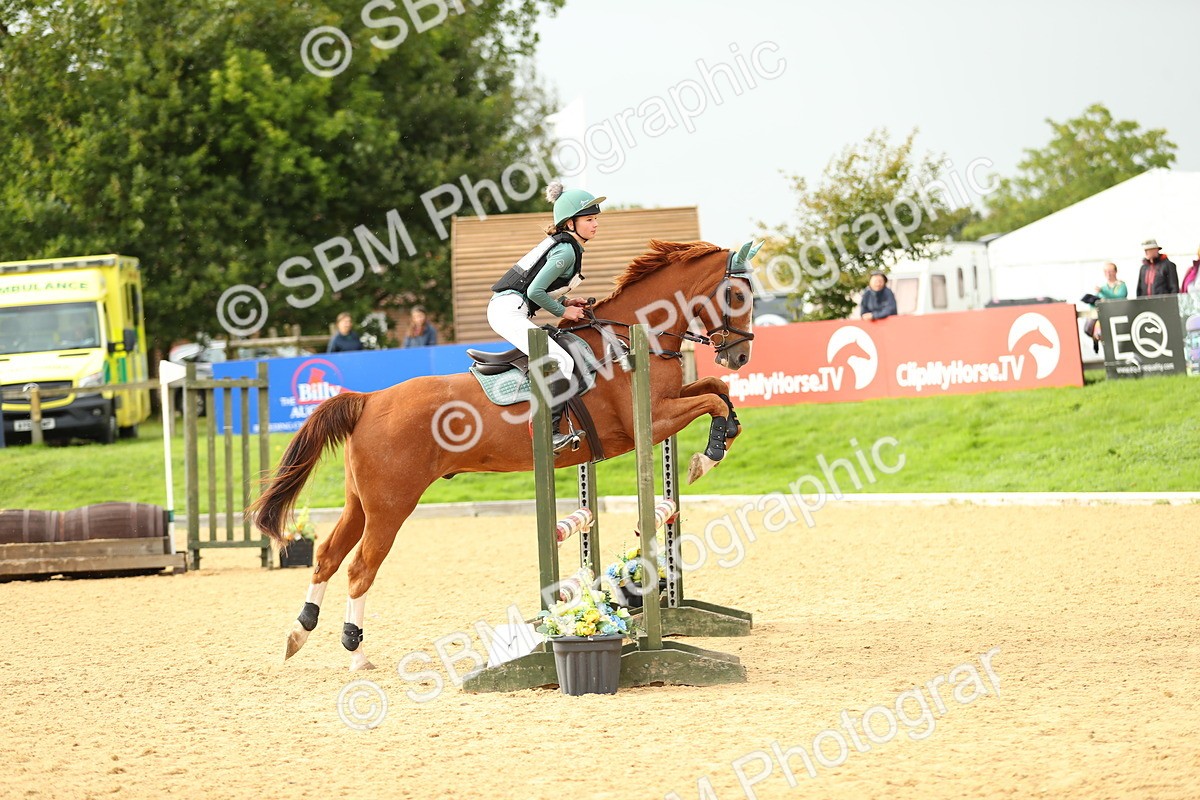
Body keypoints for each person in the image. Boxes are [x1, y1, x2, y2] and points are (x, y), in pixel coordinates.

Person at [488, 181, 603, 452]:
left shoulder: (568, 247)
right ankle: (546, 431)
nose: (595, 224)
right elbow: (535, 290)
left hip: (512, 307)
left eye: (595, 219)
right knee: (559, 360)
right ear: (570, 224)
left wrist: (564, 300)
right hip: (508, 310)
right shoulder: (565, 250)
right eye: (589, 219)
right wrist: (564, 311)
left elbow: (540, 290)